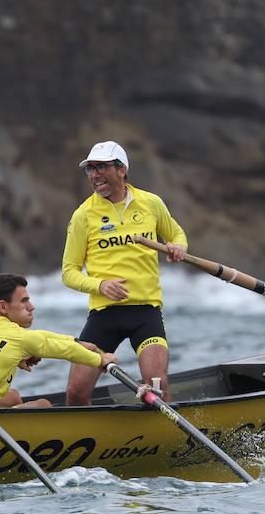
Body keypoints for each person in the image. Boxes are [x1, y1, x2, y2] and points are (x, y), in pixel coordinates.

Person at [61, 140, 187, 404]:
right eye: (90, 169)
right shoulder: (83, 215)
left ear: (122, 170)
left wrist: (178, 246)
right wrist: (100, 285)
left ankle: (163, 428)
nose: (95, 175)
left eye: (101, 167)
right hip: (104, 315)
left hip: (145, 311)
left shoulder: (150, 203)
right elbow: (68, 273)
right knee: (76, 392)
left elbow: (176, 234)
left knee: (157, 384)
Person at [0, 273, 116, 410]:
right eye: (24, 301)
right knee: (44, 405)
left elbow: (41, 337)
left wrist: (77, 341)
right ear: (3, 307)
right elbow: (67, 351)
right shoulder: (20, 338)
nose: (31, 306)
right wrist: (100, 360)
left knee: (13, 397)